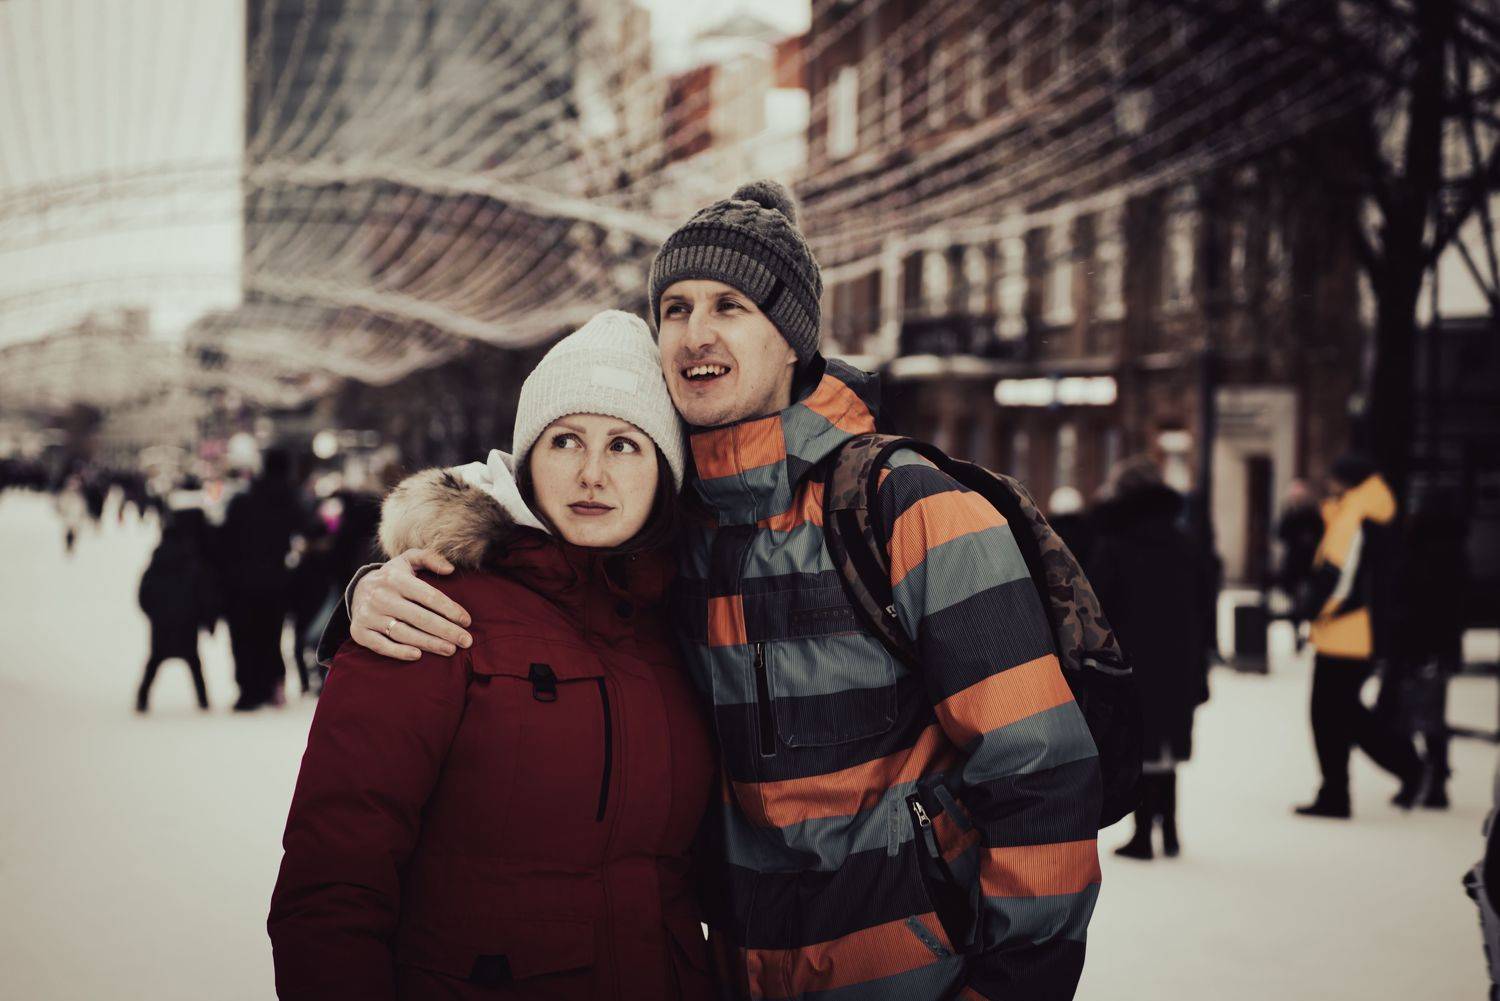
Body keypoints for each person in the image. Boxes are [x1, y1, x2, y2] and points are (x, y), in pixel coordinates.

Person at [345, 181, 1102, 999]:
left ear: (793, 338)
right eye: (675, 308)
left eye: (730, 305)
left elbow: (1041, 771)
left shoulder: (905, 506)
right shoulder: (672, 529)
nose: (694, 333)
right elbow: (535, 568)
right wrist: (377, 590)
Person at [268, 312, 717, 1000]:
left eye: (625, 444)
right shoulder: (430, 610)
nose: (592, 473)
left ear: (665, 471)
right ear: (527, 459)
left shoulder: (684, 626)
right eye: (566, 439)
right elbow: (333, 888)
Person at [1086, 457, 1213, 860]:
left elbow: (1098, 606)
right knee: (1167, 746)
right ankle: (1170, 830)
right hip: (1179, 657)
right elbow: (1205, 603)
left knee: (1138, 745)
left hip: (1134, 657)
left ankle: (1143, 836)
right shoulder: (1184, 541)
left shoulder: (1116, 543)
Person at [1293, 454, 1423, 819]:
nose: (1327, 484)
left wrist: (1313, 611)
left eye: (1332, 477)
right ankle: (1363, 782)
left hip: (1347, 633)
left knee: (1331, 715)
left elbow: (1338, 575)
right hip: (1355, 632)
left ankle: (1346, 789)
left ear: (1345, 480)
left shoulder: (1355, 514)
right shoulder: (1365, 510)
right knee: (1344, 714)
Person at [1387, 488, 1469, 809]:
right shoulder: (1452, 550)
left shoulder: (1423, 549)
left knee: (1413, 715)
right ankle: (1431, 779)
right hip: (1431, 645)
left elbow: (1423, 602)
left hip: (1419, 645)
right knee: (1427, 715)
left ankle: (1425, 778)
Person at [217, 448, 306, 711]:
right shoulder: (290, 500)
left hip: (240, 581)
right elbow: (306, 529)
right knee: (272, 635)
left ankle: (248, 690)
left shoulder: (243, 499)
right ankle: (272, 684)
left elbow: (224, 538)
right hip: (276, 581)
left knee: (244, 636)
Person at [136, 507, 220, 712]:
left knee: (156, 659)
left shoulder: (159, 557)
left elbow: (144, 592)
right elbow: (204, 593)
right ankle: (203, 701)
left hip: (162, 623)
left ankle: (142, 699)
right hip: (187, 621)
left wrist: (154, 613)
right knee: (192, 661)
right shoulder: (194, 560)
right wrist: (208, 620)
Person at [1276, 478, 1324, 649]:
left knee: (1308, 601)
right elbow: (1280, 534)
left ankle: (1306, 631)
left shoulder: (1313, 515)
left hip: (1309, 565)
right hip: (1294, 565)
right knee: (1295, 603)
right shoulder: (1289, 513)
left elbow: (1320, 534)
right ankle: (1297, 633)